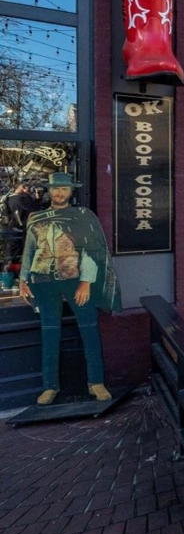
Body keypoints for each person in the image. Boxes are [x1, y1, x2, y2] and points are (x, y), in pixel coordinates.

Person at [18, 173, 121, 405]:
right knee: (50, 331)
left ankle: (96, 382)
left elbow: (91, 251)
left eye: (64, 189)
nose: (59, 193)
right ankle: (50, 386)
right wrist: (23, 279)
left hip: (75, 278)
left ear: (71, 191)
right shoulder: (36, 217)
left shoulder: (82, 216)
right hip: (43, 280)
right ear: (49, 191)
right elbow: (29, 251)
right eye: (55, 189)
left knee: (89, 328)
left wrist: (86, 281)